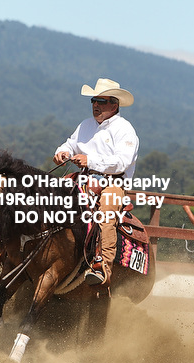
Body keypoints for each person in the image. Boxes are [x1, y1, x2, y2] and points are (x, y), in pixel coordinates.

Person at [53, 78, 138, 286]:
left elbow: (122, 162)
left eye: (101, 101)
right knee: (51, 198)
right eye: (93, 101)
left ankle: (102, 267)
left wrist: (90, 161)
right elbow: (70, 144)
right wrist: (62, 152)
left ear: (114, 105)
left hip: (113, 183)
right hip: (83, 178)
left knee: (106, 215)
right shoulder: (85, 125)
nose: (95, 105)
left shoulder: (125, 129)